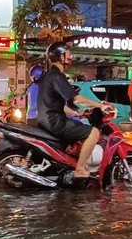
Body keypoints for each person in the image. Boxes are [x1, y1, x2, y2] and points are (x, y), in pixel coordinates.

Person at [37, 42, 110, 180]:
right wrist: (100, 105)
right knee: (93, 132)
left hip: (46, 119)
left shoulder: (48, 75)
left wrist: (78, 113)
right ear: (61, 57)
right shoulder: (57, 76)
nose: (71, 57)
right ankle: (80, 169)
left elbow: (56, 104)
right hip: (54, 121)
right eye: (69, 55)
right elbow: (77, 99)